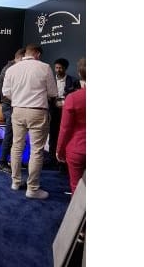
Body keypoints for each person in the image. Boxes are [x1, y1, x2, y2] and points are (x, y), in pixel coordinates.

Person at [2, 43, 57, 200]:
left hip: (17, 110)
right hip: (37, 111)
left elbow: (6, 93)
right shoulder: (45, 67)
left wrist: (19, 97)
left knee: (16, 147)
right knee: (37, 150)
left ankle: (15, 182)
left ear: (26, 53)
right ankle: (32, 189)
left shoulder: (12, 69)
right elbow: (53, 92)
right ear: (37, 54)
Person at [56, 58, 86, 194]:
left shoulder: (73, 98)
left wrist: (59, 150)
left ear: (79, 73)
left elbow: (65, 128)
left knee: (77, 189)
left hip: (77, 148)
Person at [0, 47, 26, 174]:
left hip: (12, 105)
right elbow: (6, 92)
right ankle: (2, 163)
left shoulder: (11, 68)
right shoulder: (10, 69)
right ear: (21, 57)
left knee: (15, 136)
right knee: (10, 135)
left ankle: (11, 161)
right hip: (10, 106)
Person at [47, 58, 77, 168]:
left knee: (65, 136)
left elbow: (75, 96)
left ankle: (63, 161)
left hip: (67, 112)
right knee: (53, 135)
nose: (58, 70)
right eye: (56, 68)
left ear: (65, 68)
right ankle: (52, 159)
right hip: (53, 112)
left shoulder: (73, 81)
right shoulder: (50, 80)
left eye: (60, 68)